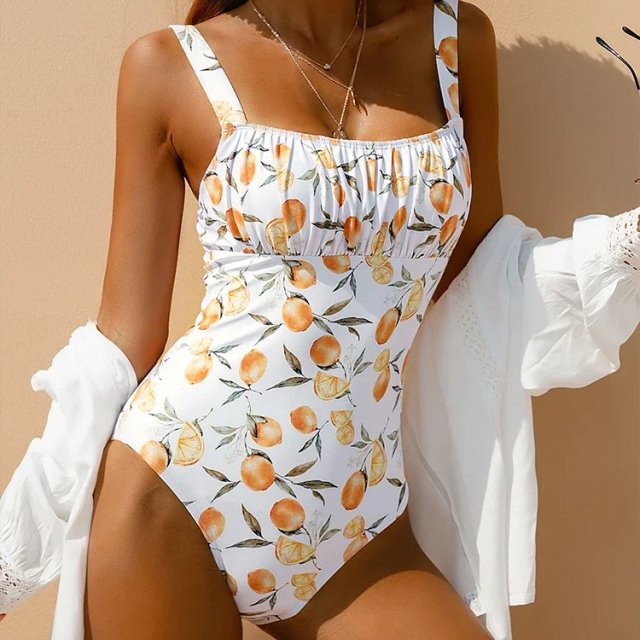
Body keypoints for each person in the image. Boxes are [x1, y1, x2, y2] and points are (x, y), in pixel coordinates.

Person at [1, 1, 638, 639]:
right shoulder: (168, 64)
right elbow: (122, 342)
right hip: (173, 488)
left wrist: (627, 247)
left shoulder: (453, 40)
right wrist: (10, 560)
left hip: (358, 523)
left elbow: (484, 279)